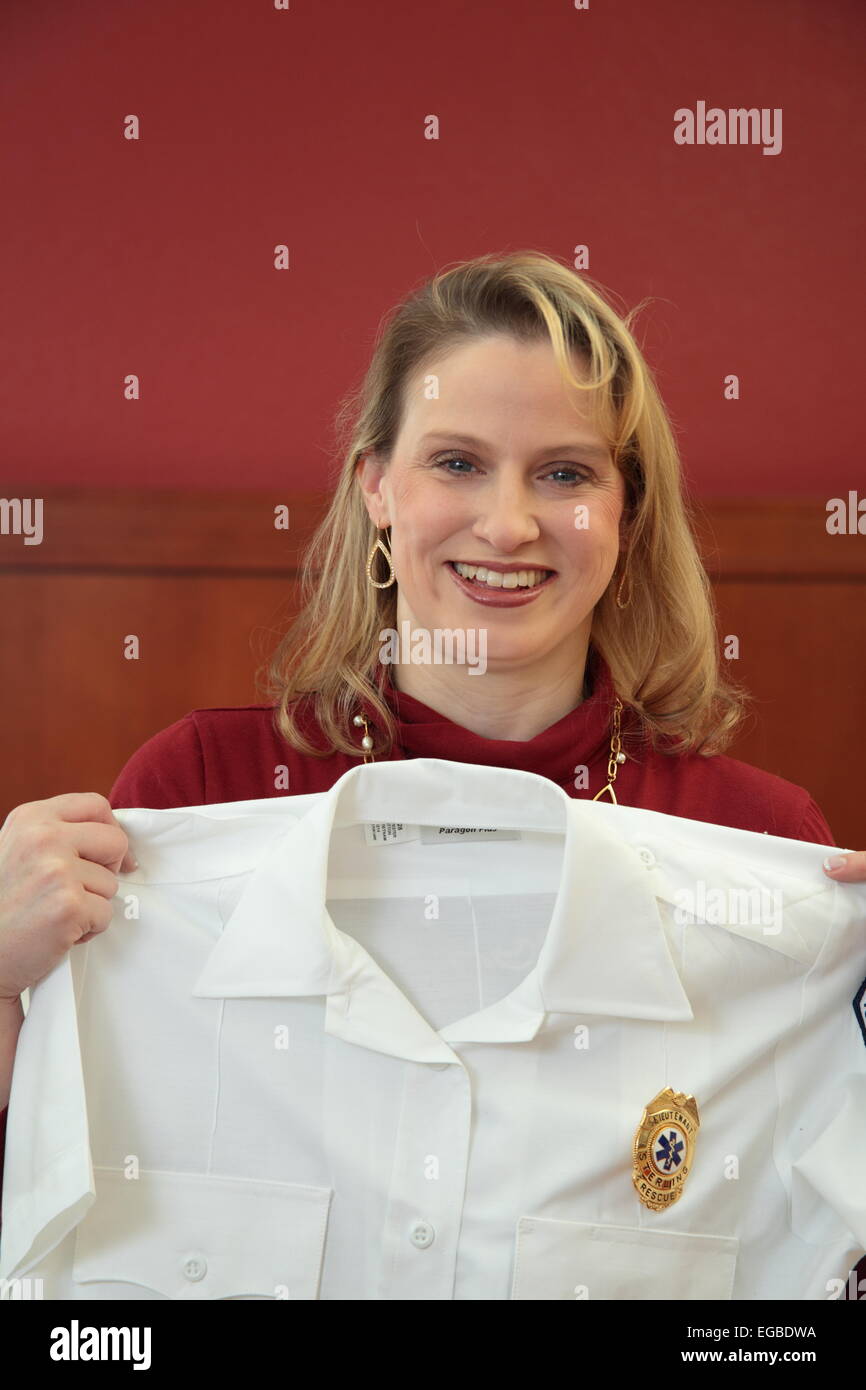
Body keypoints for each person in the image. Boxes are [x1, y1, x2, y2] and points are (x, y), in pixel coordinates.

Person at [1, 251, 863, 1292]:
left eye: (564, 472)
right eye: (456, 462)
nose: (506, 524)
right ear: (376, 488)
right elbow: (42, 1193)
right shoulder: (194, 790)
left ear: (623, 514)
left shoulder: (762, 851)